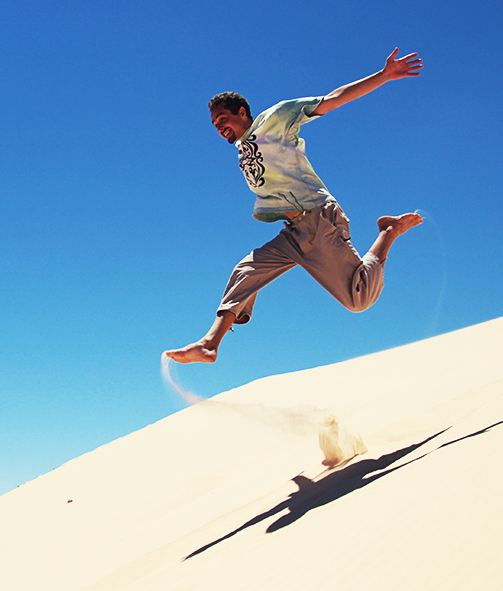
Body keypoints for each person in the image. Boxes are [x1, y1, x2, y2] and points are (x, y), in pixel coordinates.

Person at [165, 48, 425, 364]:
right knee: (245, 271)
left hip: (318, 220)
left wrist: (383, 75)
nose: (219, 127)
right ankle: (209, 344)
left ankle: (388, 231)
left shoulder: (275, 119)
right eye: (214, 124)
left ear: (243, 112)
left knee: (358, 299)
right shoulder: (243, 150)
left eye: (223, 119)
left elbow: (334, 99)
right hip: (293, 231)